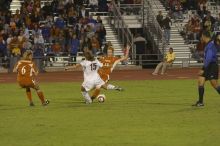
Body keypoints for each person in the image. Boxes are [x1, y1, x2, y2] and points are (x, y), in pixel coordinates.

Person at [192, 32, 220, 107]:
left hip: (212, 66)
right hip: (208, 65)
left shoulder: (210, 45)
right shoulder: (209, 44)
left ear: (204, 36)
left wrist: (203, 69)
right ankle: (201, 102)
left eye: (201, 36)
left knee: (214, 84)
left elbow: (209, 58)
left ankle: (201, 102)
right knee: (200, 81)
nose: (201, 38)